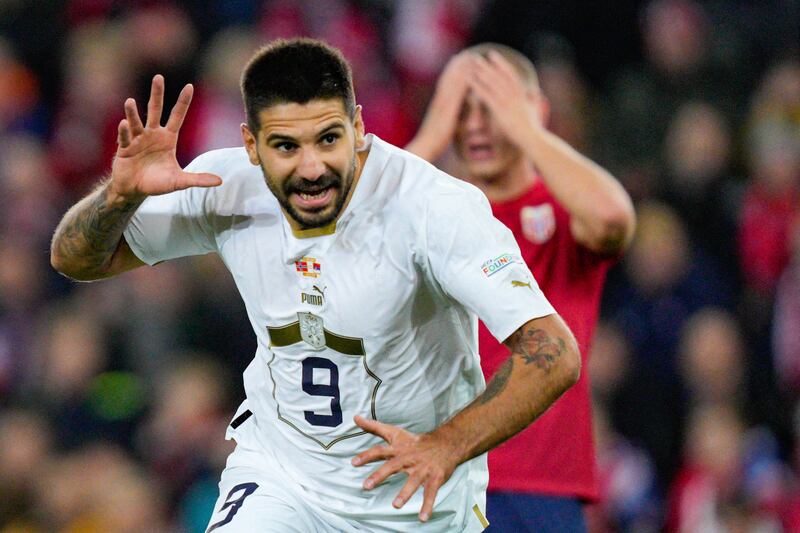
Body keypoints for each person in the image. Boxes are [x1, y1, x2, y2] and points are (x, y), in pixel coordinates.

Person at [50, 38, 581, 532]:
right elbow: (78, 259)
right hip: (282, 478)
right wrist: (117, 199)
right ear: (251, 146)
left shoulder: (433, 209)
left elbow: (553, 352)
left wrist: (445, 446)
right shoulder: (223, 185)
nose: (312, 167)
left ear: (358, 125)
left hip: (411, 500)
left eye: (329, 139)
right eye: (286, 146)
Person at [406, 43, 636, 532]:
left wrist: (527, 130)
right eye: (460, 110)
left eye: (490, 108)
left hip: (539, 483)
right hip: (439, 472)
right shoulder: (432, 213)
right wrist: (431, 133)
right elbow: (355, 239)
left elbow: (613, 218)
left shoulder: (562, 212)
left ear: (534, 110)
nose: (473, 126)